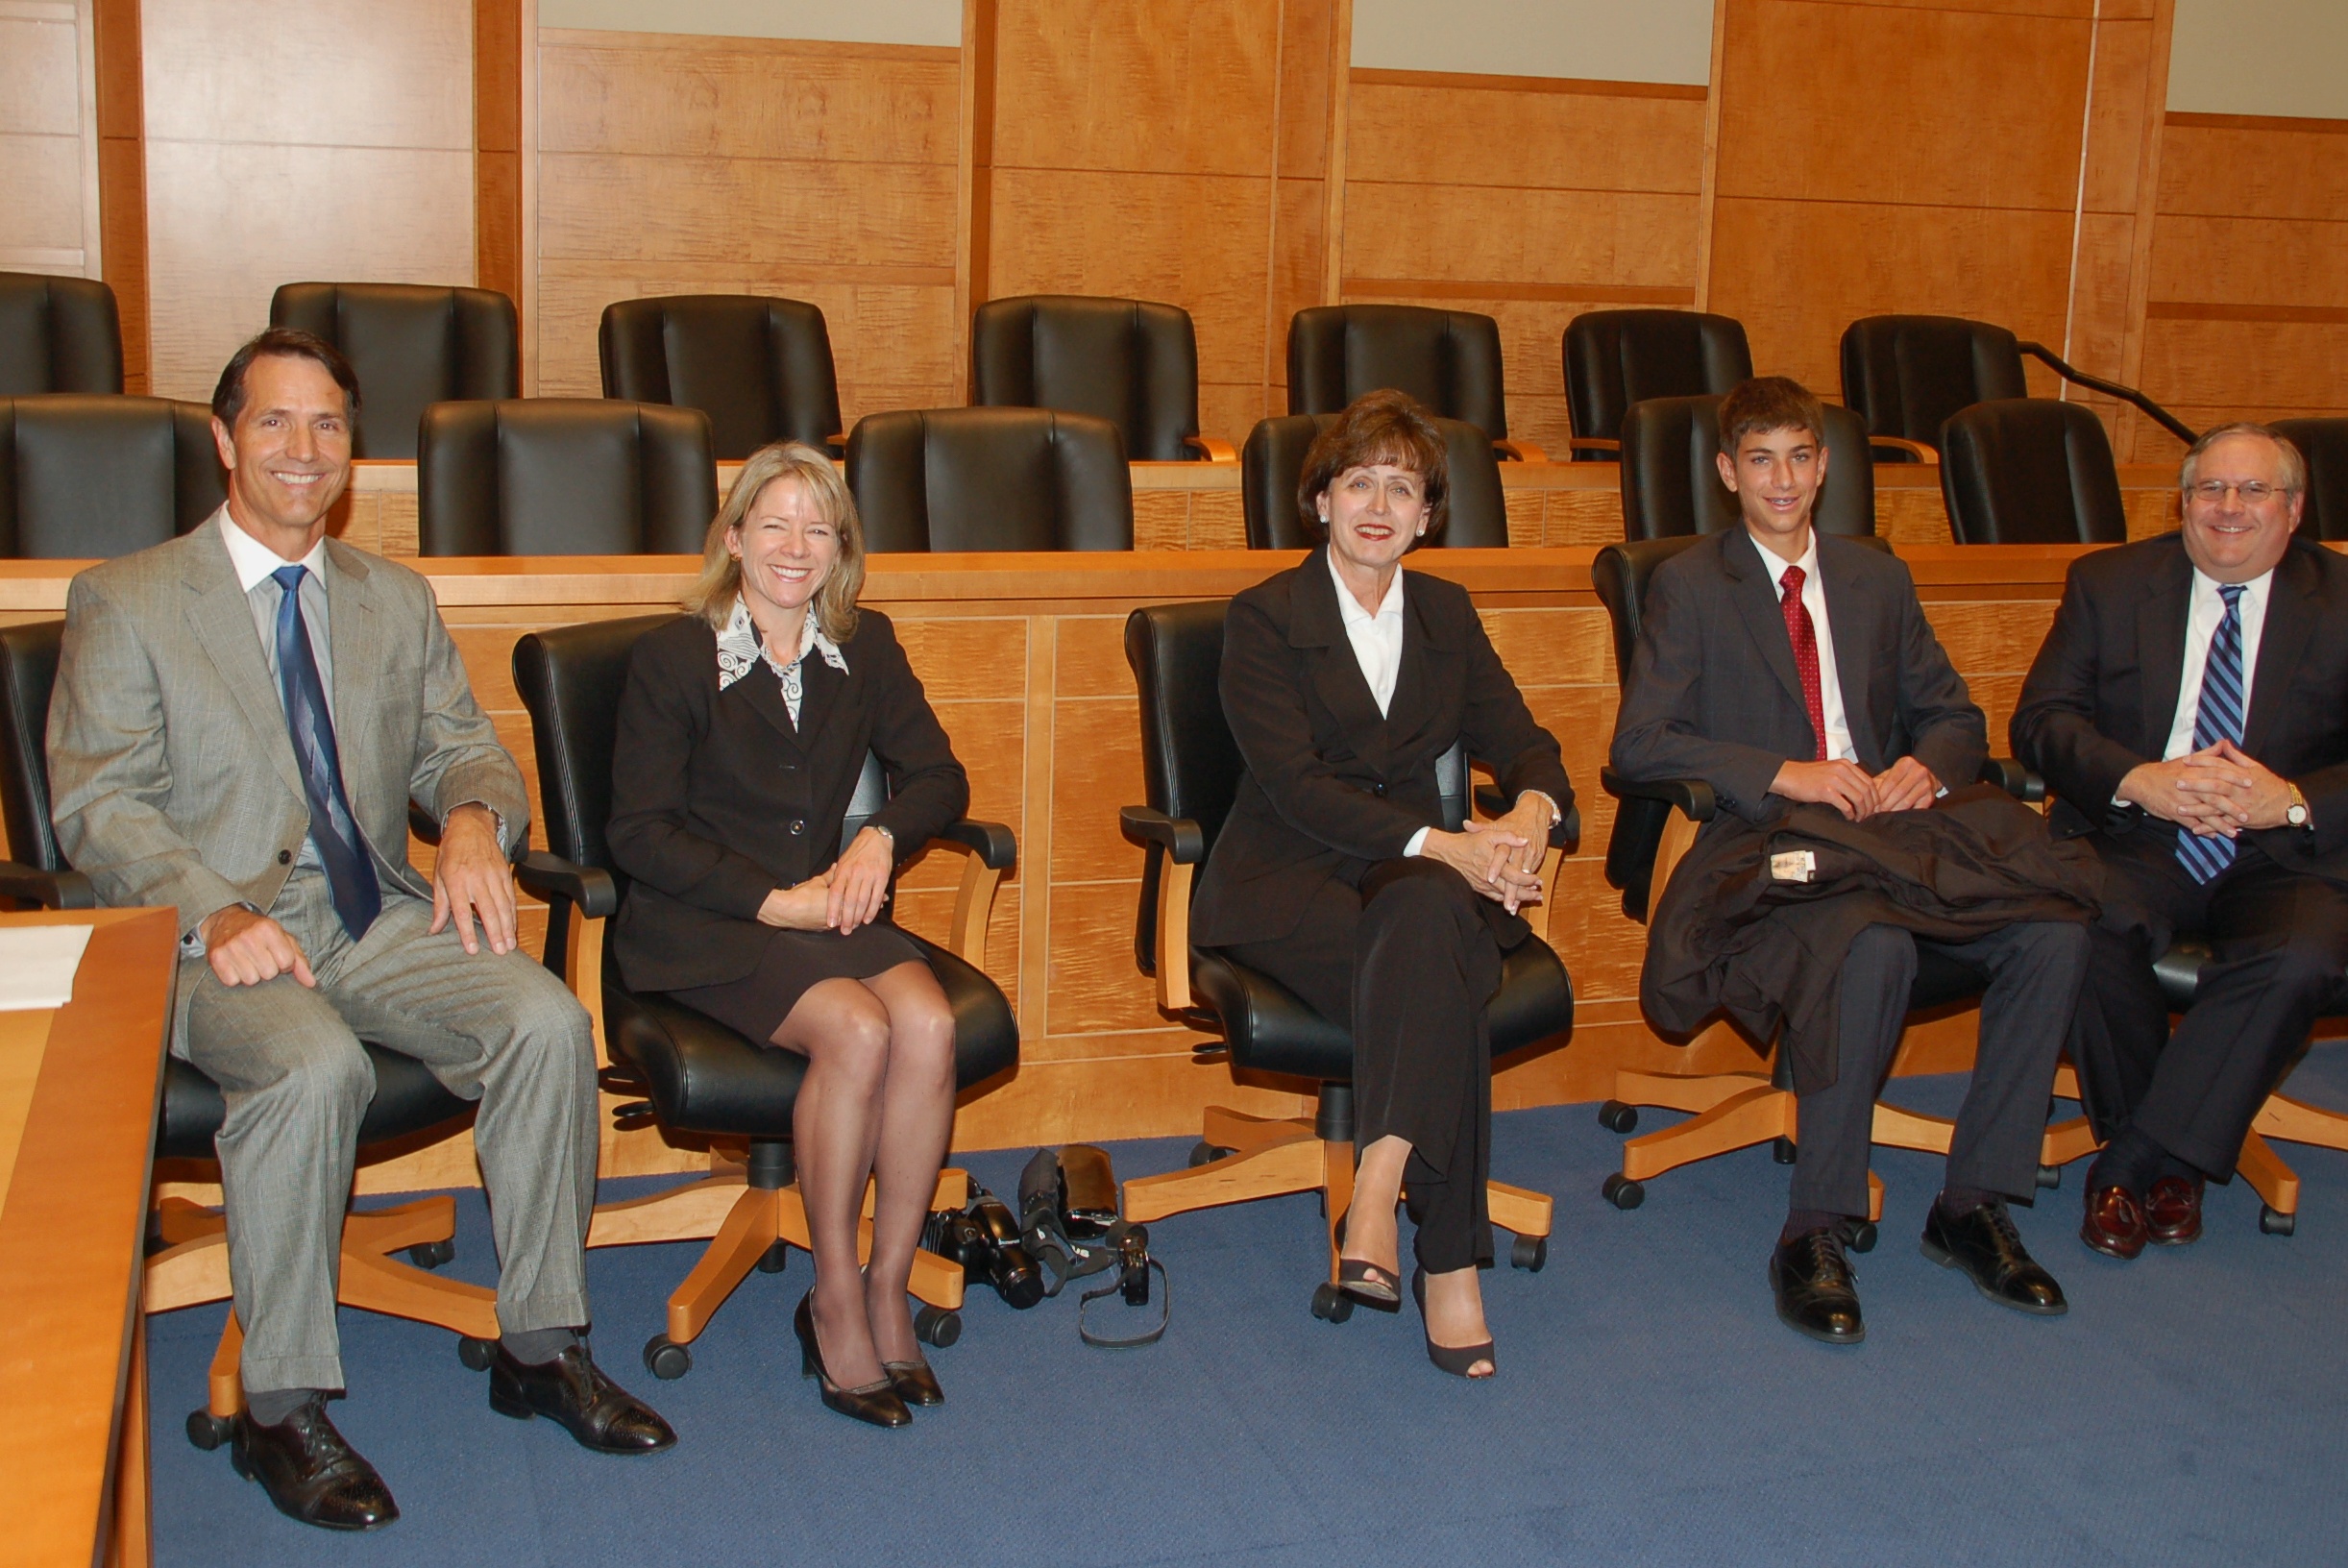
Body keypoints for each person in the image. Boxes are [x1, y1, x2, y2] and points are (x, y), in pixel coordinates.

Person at [46, 330, 673, 1533]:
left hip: (365, 912)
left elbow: (461, 747)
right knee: (312, 1066)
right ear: (224, 439)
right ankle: (280, 1409)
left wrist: (476, 821)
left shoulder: (393, 598)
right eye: (274, 421)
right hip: (204, 935)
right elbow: (99, 804)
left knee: (546, 1023)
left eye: (328, 423)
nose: (304, 448)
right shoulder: (128, 599)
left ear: (351, 447)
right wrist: (215, 908)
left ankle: (540, 1345)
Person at [1610, 376, 2084, 1346]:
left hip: (1892, 837)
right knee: (1872, 948)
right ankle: (1812, 1228)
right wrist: (1785, 772)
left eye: (1798, 457)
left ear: (1823, 466)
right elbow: (1641, 744)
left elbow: (1954, 716)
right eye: (1760, 460)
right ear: (1726, 472)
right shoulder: (1690, 585)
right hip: (1772, 845)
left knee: (2052, 931)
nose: (1781, 480)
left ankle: (1972, 1203)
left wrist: (1924, 766)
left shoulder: (1875, 576)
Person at [1188, 389, 1573, 1380]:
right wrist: (1445, 845)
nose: (1378, 505)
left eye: (1402, 489)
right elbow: (1296, 788)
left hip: (1408, 887)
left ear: (1426, 516)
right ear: (1320, 500)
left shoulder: (1445, 613)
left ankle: (1379, 1177)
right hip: (1284, 882)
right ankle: (1452, 1266)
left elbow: (1525, 741)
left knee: (1428, 920)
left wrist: (1532, 811)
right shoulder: (1264, 617)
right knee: (1439, 957)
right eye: (1359, 482)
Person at [606, 441, 967, 1428]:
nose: (795, 547)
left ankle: (888, 1284)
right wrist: (774, 902)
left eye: (819, 528)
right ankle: (834, 1297)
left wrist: (879, 840)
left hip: (827, 909)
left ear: (841, 548)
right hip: (706, 920)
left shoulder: (864, 645)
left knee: (930, 1025)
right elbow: (638, 833)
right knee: (857, 1028)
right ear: (732, 539)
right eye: (773, 524)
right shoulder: (674, 657)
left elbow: (940, 776)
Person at [2012, 423, 2348, 1259]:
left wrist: (2292, 800)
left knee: (2300, 956)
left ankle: (2133, 1159)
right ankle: (2177, 1155)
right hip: (2143, 835)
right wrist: (2138, 779)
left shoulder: (2342, 596)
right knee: (2081, 922)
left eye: (2254, 490)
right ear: (2183, 503)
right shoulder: (2110, 583)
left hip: (2286, 852)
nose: (2229, 508)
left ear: (2294, 508)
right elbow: (2042, 721)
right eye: (2210, 489)